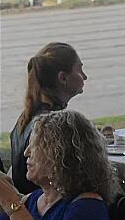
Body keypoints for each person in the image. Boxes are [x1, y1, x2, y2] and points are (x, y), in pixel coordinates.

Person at [12, 42, 87, 195]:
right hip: (44, 207)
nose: (85, 76)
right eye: (80, 69)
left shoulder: (26, 118)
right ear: (63, 78)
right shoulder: (53, 126)